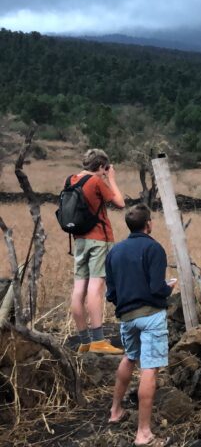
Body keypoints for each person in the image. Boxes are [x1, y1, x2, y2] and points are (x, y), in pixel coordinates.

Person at [106, 204, 176, 447]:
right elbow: (157, 288)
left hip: (126, 316)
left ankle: (115, 411)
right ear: (148, 224)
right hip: (151, 316)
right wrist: (169, 287)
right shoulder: (153, 248)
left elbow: (111, 293)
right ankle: (143, 434)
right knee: (150, 369)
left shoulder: (114, 252)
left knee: (129, 357)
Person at [68, 148, 125, 354]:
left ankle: (84, 340)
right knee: (96, 287)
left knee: (78, 289)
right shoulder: (96, 181)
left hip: (79, 240)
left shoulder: (72, 180)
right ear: (101, 166)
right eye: (104, 168)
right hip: (98, 239)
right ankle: (99, 340)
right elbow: (120, 202)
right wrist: (111, 179)